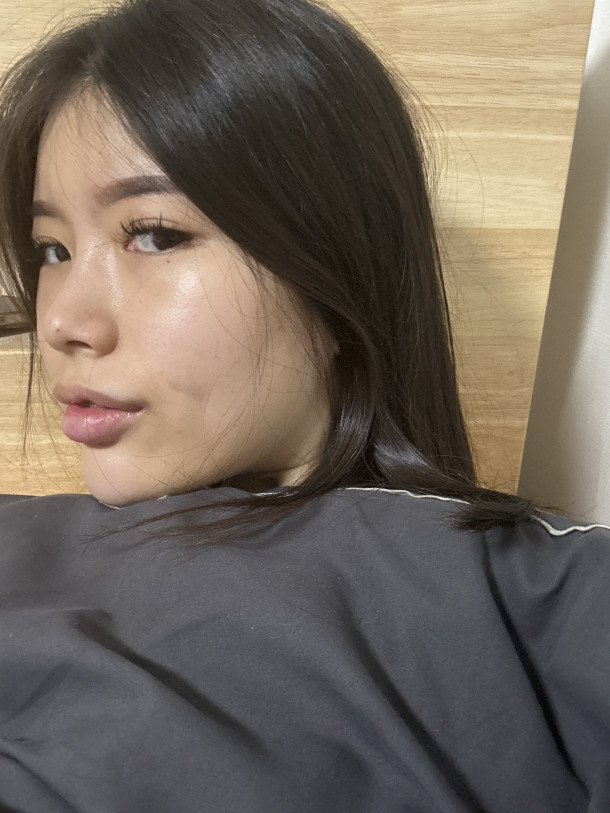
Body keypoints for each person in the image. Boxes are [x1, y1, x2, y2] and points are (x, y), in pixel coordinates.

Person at [0, 0, 608, 810]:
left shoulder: (536, 598)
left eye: (154, 234)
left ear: (334, 267)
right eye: (52, 249)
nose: (62, 323)